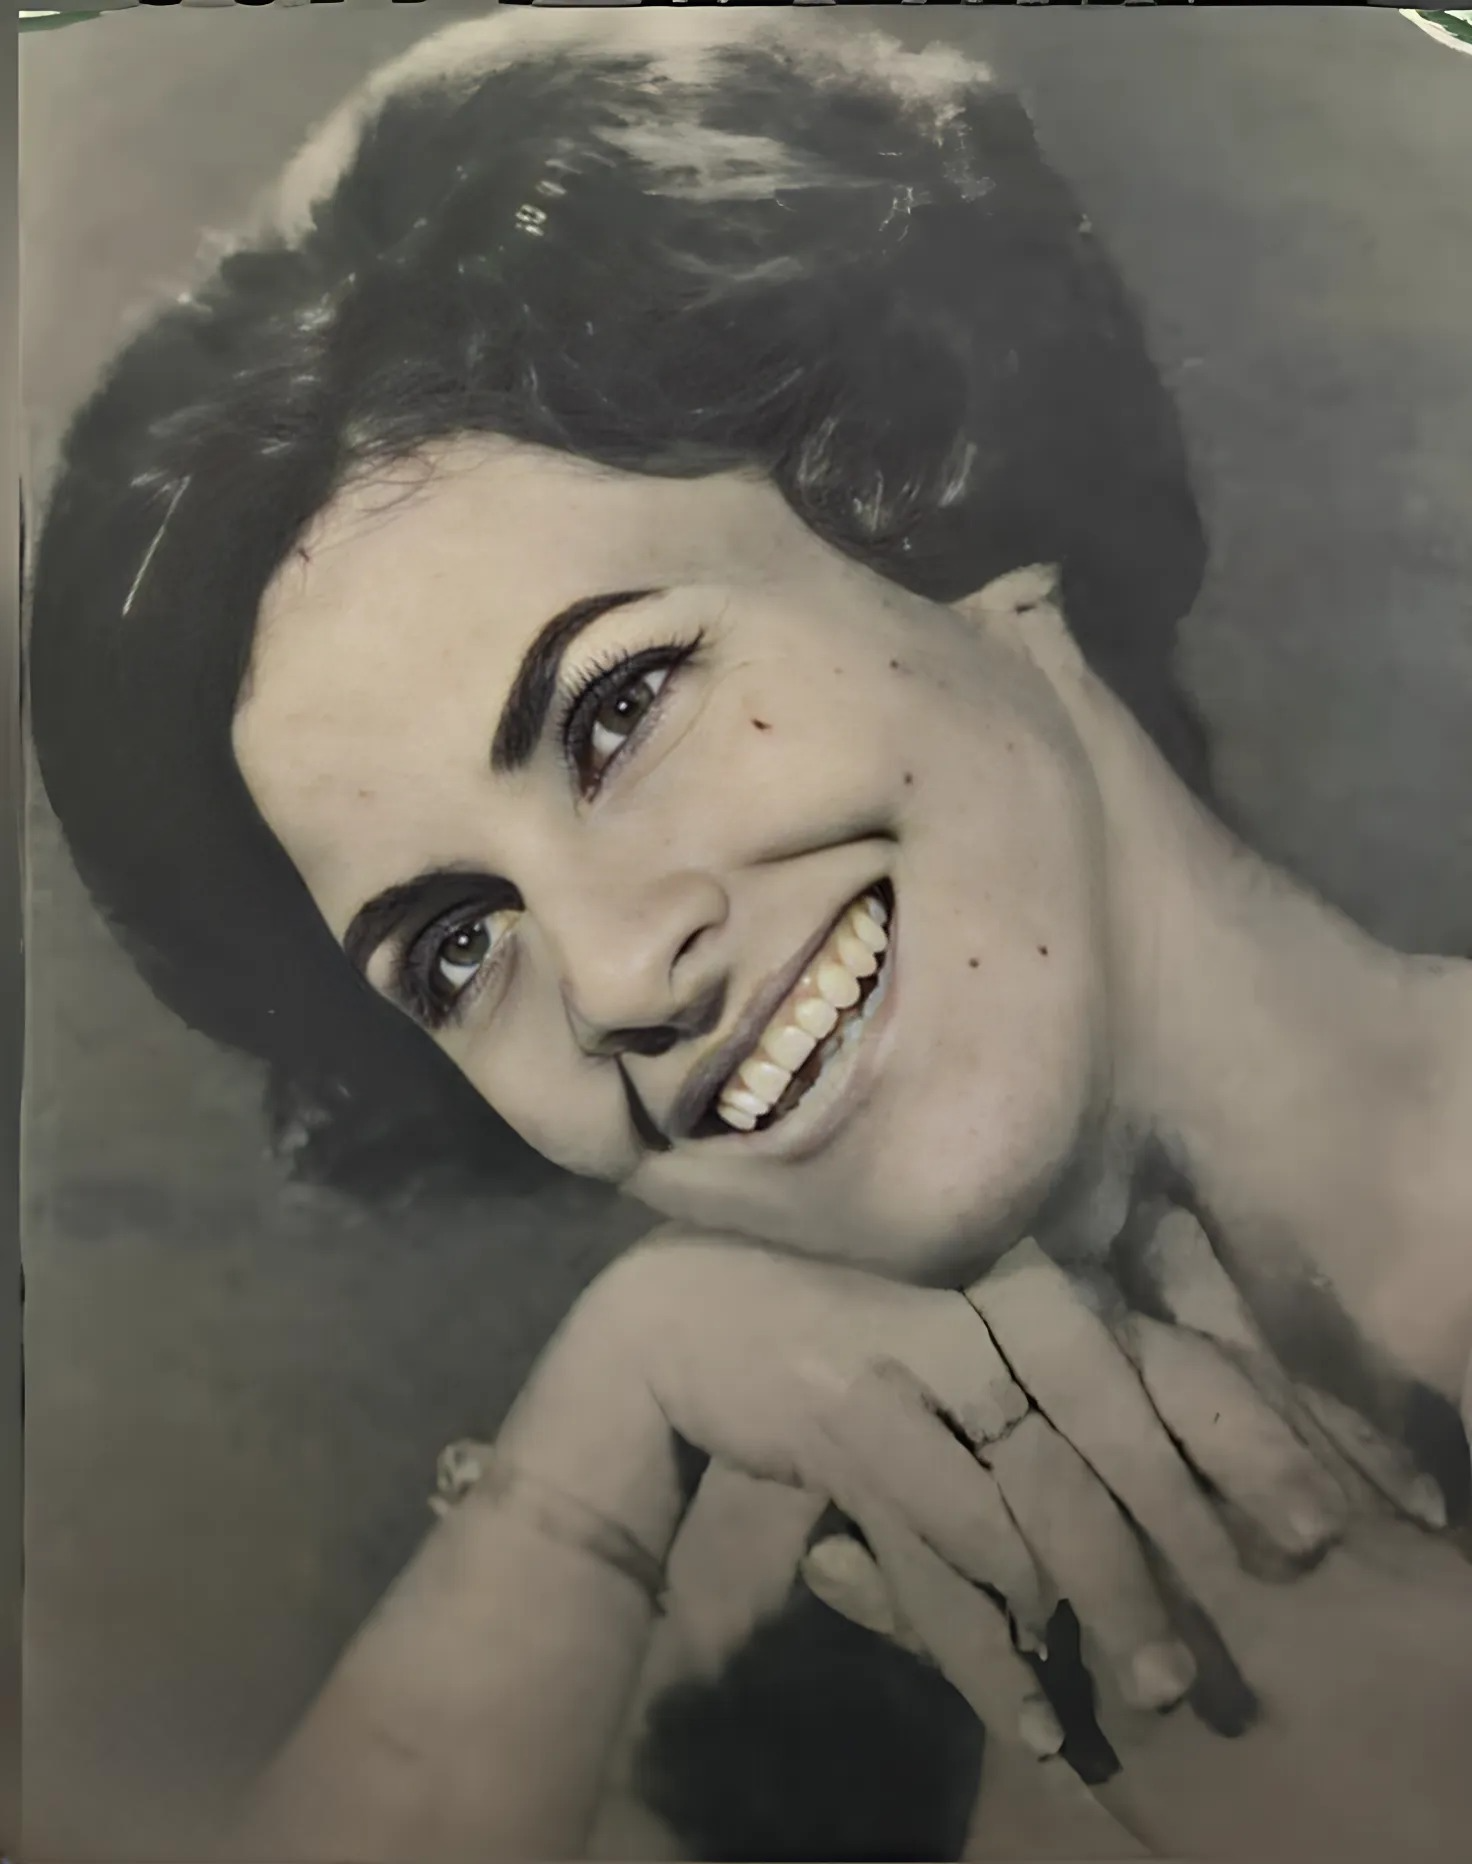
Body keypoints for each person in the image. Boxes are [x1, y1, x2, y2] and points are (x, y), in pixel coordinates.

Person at [25, 12, 1472, 1861]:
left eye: (619, 712)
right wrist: (605, 1421)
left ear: (927, 484)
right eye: (457, 946)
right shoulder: (778, 1624)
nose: (617, 977)